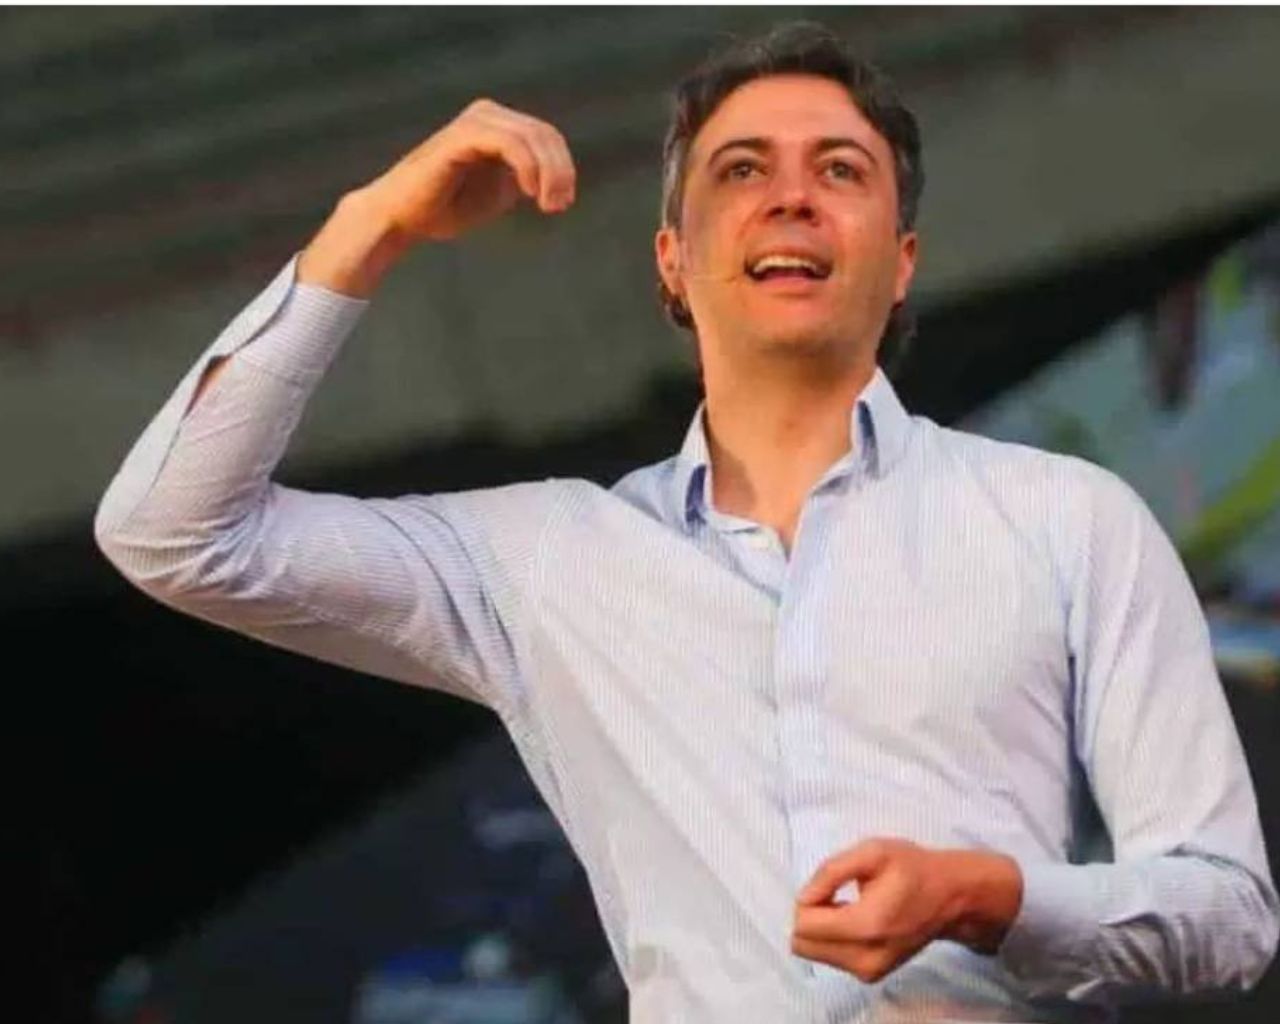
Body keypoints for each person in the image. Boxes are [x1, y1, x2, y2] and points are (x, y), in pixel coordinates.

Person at [95, 22, 1277, 1024]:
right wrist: (372, 226)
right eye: (740, 171)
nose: (791, 197)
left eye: (840, 171)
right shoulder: (548, 557)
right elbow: (173, 534)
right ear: (671, 261)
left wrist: (986, 894)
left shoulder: (1065, 515)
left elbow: (1228, 913)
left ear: (902, 261)